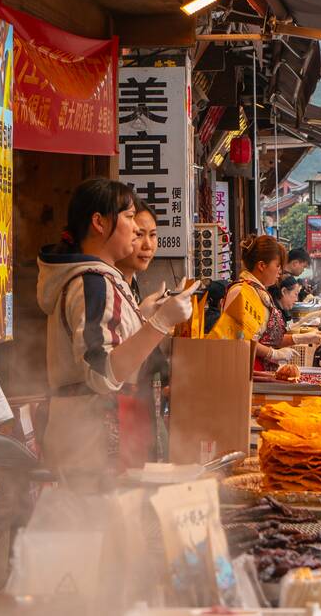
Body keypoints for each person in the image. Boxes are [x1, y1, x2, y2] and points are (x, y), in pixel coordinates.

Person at [37, 178, 199, 480]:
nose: (135, 230)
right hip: (92, 447)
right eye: (129, 217)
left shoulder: (102, 280)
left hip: (99, 443)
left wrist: (143, 317)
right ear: (99, 222)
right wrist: (161, 322)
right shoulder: (92, 283)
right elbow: (102, 373)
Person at [213, 235, 299, 370]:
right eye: (277, 265)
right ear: (262, 266)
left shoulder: (259, 292)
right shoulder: (241, 291)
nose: (280, 271)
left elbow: (266, 337)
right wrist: (272, 353)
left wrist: (300, 338)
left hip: (259, 369)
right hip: (245, 370)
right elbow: (240, 339)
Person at [115, 199, 159, 298]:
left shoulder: (131, 284)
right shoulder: (103, 286)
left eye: (152, 234)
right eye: (139, 234)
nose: (148, 246)